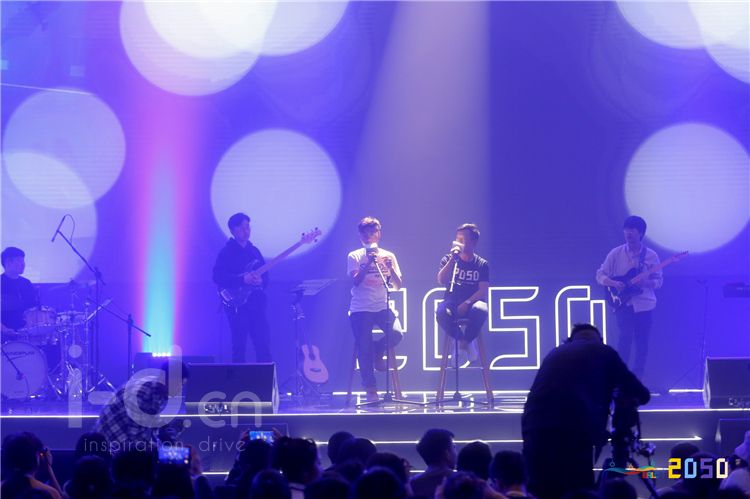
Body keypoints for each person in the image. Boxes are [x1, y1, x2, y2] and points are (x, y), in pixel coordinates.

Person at [522, 323, 650, 499]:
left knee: (540, 490)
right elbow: (641, 393)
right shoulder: (604, 352)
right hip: (574, 431)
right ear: (600, 340)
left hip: (534, 428)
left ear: (570, 339)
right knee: (579, 491)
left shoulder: (554, 353)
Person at [596, 215, 662, 378]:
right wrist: (612, 283)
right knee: (624, 341)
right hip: (623, 304)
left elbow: (659, 281)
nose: (628, 233)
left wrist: (646, 283)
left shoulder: (651, 256)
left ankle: (637, 379)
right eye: (626, 230)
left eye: (632, 230)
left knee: (642, 344)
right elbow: (600, 274)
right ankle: (621, 378)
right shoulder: (616, 253)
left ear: (640, 233)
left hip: (645, 305)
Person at [347, 217, 404, 402]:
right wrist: (368, 264)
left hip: (382, 306)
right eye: (364, 234)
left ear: (379, 234)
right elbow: (356, 281)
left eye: (372, 233)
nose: (368, 236)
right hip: (361, 308)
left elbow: (398, 285)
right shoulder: (354, 256)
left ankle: (377, 350)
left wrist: (390, 269)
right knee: (363, 345)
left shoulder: (389, 256)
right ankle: (371, 389)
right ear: (360, 236)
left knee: (396, 333)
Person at [213, 212, 271, 362]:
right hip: (237, 306)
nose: (246, 231)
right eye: (241, 228)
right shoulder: (226, 252)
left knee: (263, 344)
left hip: (257, 304)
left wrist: (260, 281)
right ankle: (238, 378)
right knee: (239, 346)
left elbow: (266, 278)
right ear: (232, 230)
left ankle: (266, 377)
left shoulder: (255, 252)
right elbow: (218, 277)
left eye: (248, 227)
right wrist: (242, 279)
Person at [96, 359, 189, 449]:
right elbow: (135, 438)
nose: (180, 389)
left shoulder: (155, 389)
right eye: (179, 384)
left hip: (119, 439)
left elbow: (152, 423)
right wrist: (163, 449)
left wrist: (168, 434)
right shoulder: (143, 395)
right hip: (109, 444)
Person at [436, 224, 489, 363]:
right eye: (457, 239)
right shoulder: (448, 259)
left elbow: (483, 290)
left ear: (473, 242)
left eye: (462, 240)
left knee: (481, 310)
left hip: (472, 303)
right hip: (451, 302)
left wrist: (467, 303)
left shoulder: (481, 264)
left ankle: (465, 341)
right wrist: (452, 260)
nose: (458, 243)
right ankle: (464, 341)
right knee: (441, 312)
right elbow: (441, 280)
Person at [1, 246, 39, 335]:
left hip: (26, 332)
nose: (23, 264)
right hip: (4, 333)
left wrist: (29, 326)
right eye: (19, 260)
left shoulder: (26, 283)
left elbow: (33, 308)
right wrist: (4, 329)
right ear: (8, 262)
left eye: (23, 260)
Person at [410, 428, 456, 499]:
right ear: (447, 454)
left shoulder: (412, 484)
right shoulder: (460, 482)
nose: (456, 453)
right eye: (454, 447)